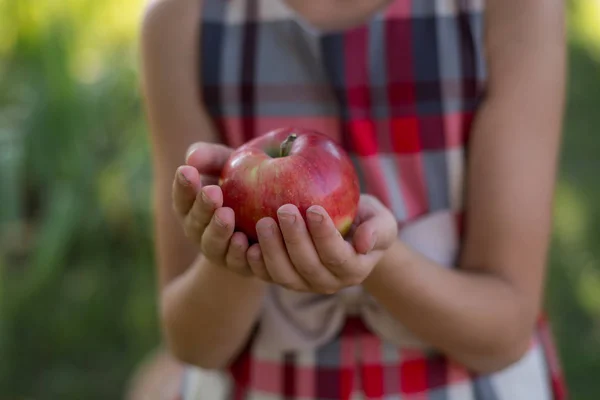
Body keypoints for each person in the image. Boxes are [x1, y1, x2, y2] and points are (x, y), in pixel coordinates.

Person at [137, 0, 568, 398]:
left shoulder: (512, 9)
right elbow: (192, 344)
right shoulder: (182, 23)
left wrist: (369, 258)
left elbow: (506, 331)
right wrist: (232, 254)